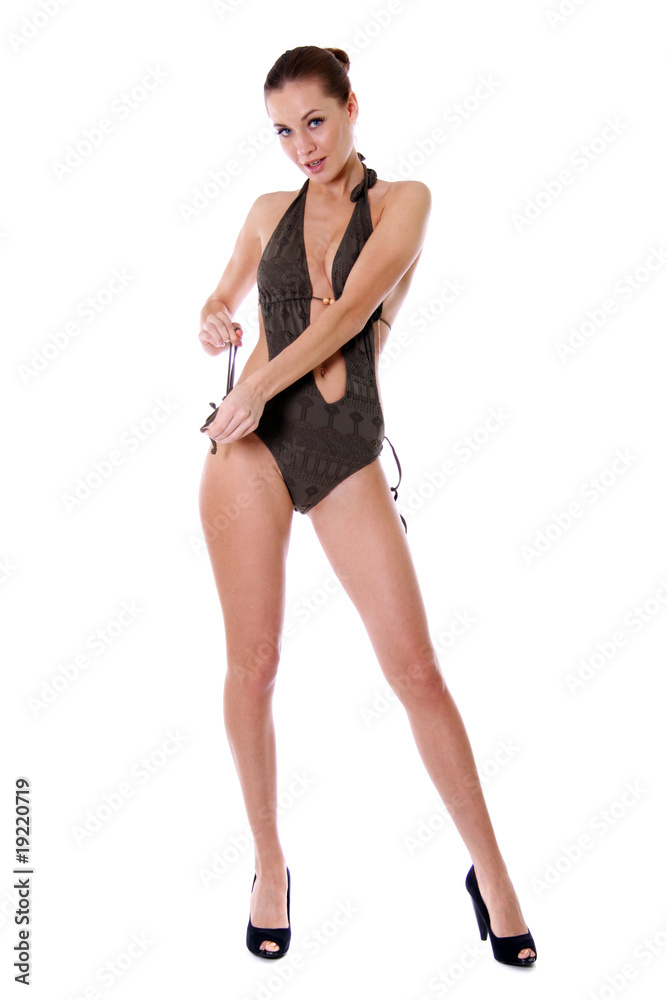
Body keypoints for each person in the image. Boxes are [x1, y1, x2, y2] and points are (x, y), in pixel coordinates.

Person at [197, 45, 537, 967]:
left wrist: (254, 383)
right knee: (254, 666)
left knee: (416, 672)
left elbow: (347, 314)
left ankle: (493, 876)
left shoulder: (403, 202)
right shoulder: (264, 211)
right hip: (248, 450)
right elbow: (221, 293)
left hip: (339, 442)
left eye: (315, 120)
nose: (302, 145)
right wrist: (215, 318)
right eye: (282, 131)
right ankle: (269, 866)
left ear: (352, 107)